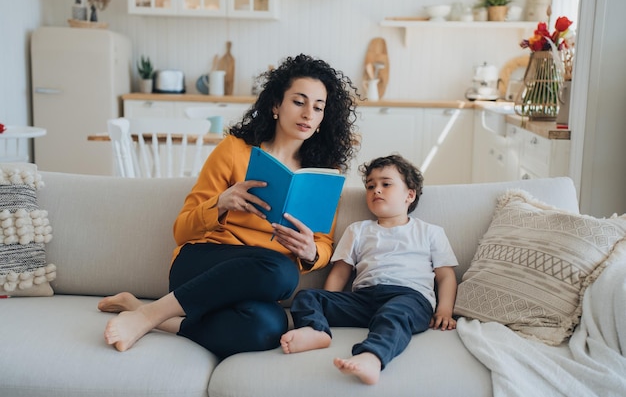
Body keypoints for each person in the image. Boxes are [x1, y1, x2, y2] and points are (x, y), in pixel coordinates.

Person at [98, 54, 359, 358]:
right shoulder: (233, 150)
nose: (308, 114)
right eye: (299, 102)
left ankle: (146, 312)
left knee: (269, 326)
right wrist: (220, 204)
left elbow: (324, 242)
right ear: (276, 105)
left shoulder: (322, 175)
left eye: (318, 107)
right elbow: (181, 231)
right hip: (202, 264)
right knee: (283, 273)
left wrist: (311, 252)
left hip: (257, 282)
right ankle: (149, 315)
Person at [280, 154, 458, 385]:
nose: (377, 190)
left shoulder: (430, 232)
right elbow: (341, 272)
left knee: (393, 315)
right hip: (364, 299)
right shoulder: (358, 229)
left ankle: (372, 357)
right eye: (370, 186)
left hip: (409, 298)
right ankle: (317, 331)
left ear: (409, 194)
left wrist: (444, 310)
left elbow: (446, 276)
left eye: (386, 184)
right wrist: (330, 303)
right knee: (307, 296)